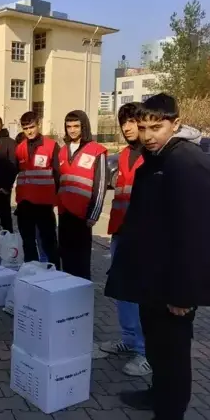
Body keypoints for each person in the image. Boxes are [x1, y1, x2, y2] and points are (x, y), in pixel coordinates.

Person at [105, 93, 210, 420]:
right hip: (151, 278)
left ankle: (170, 411)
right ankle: (157, 394)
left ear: (175, 123)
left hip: (173, 286)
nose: (149, 135)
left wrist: (183, 294)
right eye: (143, 126)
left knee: (173, 353)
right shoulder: (156, 157)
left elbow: (196, 235)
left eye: (157, 127)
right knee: (156, 346)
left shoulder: (185, 161)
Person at [99, 102, 151, 377]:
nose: (128, 127)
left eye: (133, 121)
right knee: (122, 292)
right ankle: (129, 340)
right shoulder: (122, 156)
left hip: (143, 238)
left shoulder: (153, 155)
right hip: (121, 232)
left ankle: (146, 352)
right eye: (124, 123)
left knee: (143, 295)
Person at [57, 110, 107, 280]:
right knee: (65, 255)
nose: (72, 130)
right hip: (64, 213)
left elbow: (100, 185)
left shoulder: (96, 151)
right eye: (68, 126)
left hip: (83, 215)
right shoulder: (62, 151)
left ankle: (82, 295)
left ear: (83, 126)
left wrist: (94, 214)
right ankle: (67, 291)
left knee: (81, 260)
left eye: (76, 126)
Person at [14, 111, 60, 266]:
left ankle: (54, 273)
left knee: (49, 242)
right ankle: (32, 274)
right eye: (26, 128)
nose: (29, 131)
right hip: (25, 204)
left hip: (43, 205)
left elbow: (58, 175)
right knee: (28, 242)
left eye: (32, 127)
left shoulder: (51, 146)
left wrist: (57, 200)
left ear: (38, 125)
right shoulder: (19, 148)